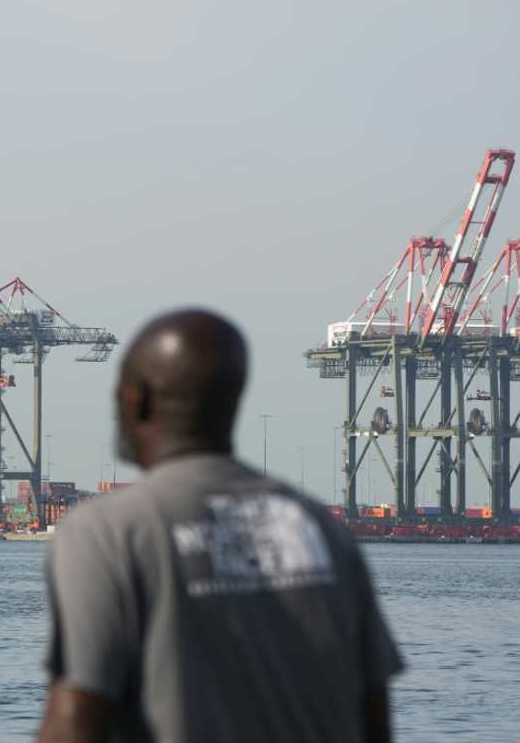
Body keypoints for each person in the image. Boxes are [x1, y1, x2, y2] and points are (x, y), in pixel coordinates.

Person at [37, 309, 402, 743]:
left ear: (136, 399)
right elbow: (374, 715)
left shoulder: (107, 532)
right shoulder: (319, 527)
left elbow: (77, 718)